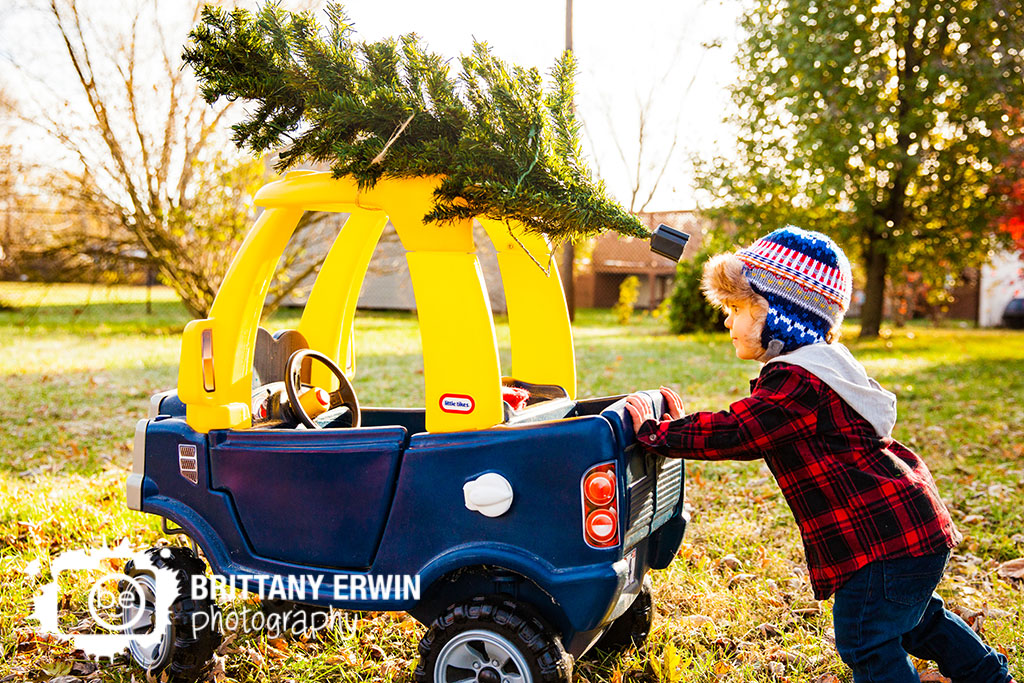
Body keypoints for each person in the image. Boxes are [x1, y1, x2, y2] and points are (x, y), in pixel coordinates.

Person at [624, 226, 1015, 683]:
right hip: (904, 533)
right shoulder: (819, 367)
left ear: (780, 315)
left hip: (882, 544)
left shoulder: (800, 380)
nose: (727, 321)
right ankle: (991, 677)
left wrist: (657, 434)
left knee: (866, 640)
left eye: (736, 309)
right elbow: (752, 421)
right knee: (917, 622)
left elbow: (741, 431)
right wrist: (678, 425)